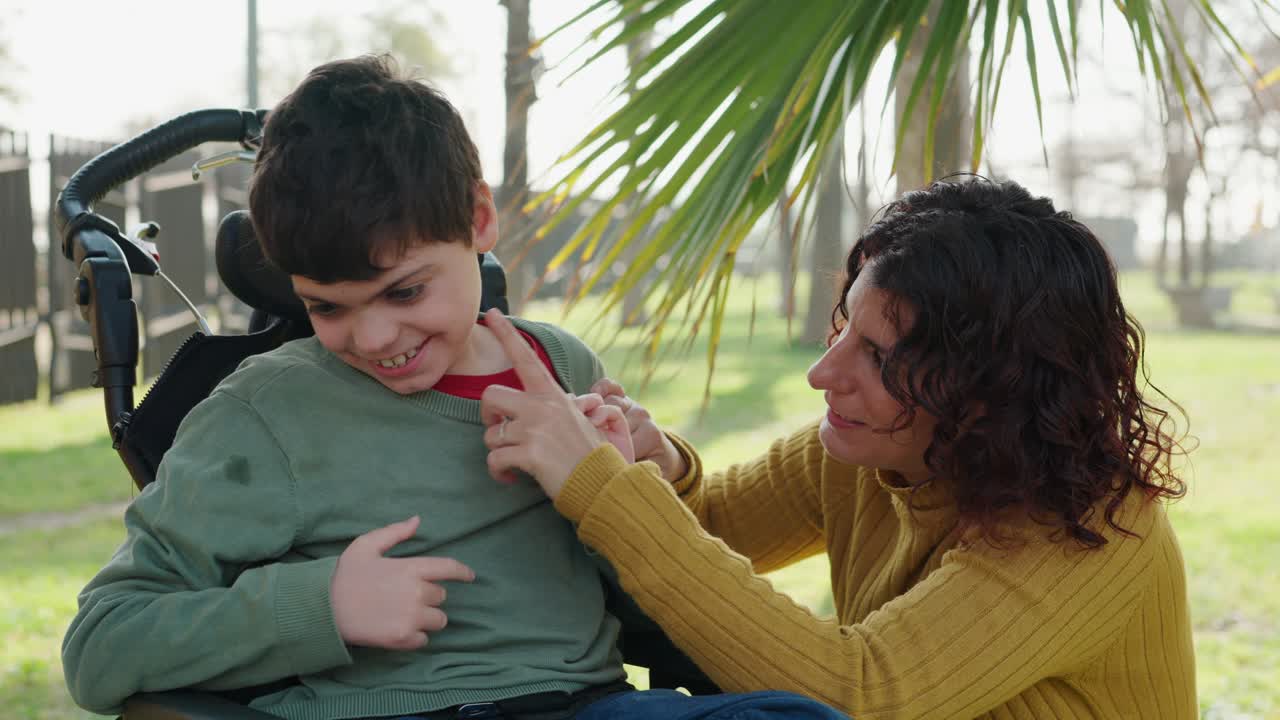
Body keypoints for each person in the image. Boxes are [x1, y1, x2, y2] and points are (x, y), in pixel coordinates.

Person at [62, 56, 848, 720]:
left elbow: (644, 607)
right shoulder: (265, 414)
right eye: (327, 307)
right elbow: (102, 643)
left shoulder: (560, 367)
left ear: (478, 219)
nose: (374, 338)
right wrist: (321, 606)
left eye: (405, 291)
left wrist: (629, 483)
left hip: (588, 700)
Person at [478, 177, 1197, 719]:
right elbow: (715, 530)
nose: (822, 373)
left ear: (994, 391)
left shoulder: (1093, 527)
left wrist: (604, 489)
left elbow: (861, 692)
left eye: (880, 358)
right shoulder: (866, 455)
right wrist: (656, 464)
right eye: (845, 325)